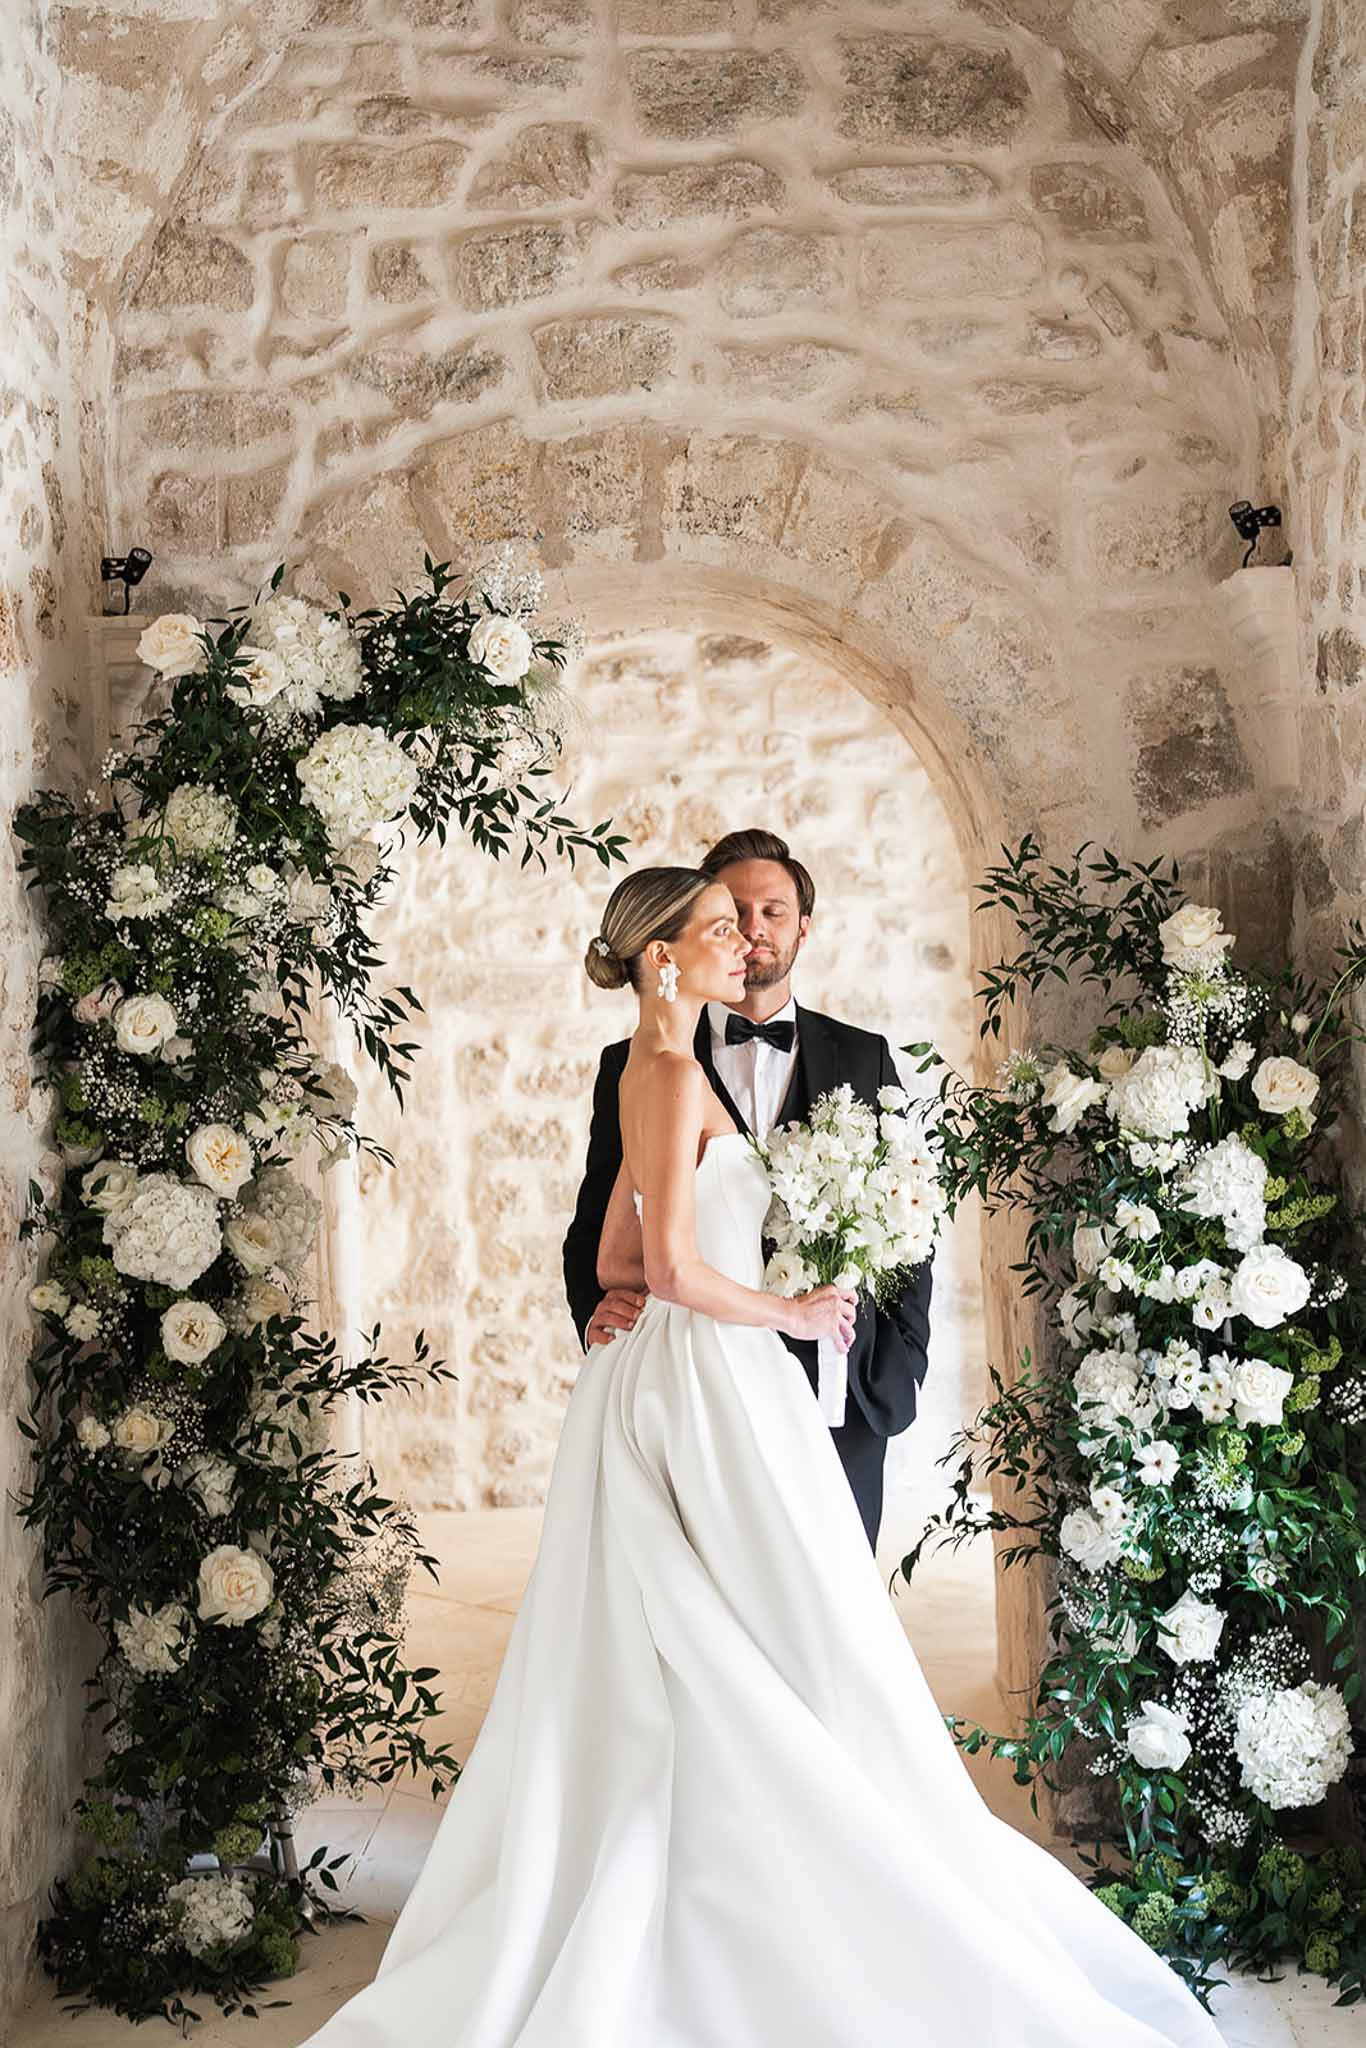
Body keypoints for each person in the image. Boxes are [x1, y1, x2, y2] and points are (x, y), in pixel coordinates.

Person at [298, 866, 1225, 2048]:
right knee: (781, 1631)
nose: (741, 941)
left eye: (748, 923)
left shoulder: (652, 1063)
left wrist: (619, 1301)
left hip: (676, 1376)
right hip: (717, 1383)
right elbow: (675, 1270)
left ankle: (724, 1852)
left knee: (722, 1637)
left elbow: (626, 1261)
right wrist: (791, 1311)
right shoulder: (674, 1068)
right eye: (717, 927)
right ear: (662, 957)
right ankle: (787, 1870)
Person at [562, 827, 932, 1549]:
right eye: (731, 917)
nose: (750, 935)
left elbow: (911, 1209)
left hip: (843, 1376)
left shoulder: (863, 1055)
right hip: (710, 1375)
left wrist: (903, 1356)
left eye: (773, 913)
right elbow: (605, 1230)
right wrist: (595, 1317)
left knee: (834, 1591)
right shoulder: (649, 1065)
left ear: (804, 927)